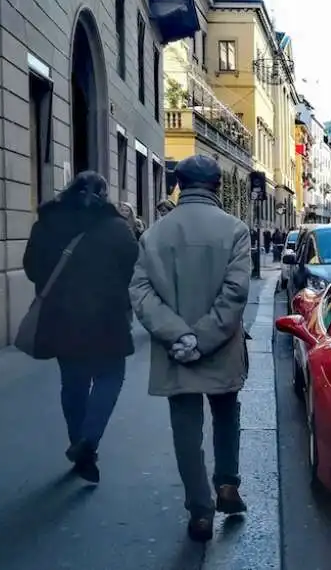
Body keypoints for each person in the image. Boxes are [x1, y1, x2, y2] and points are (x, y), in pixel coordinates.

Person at [130, 154, 252, 543]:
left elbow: (141, 291)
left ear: (178, 184)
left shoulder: (154, 233)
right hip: (221, 345)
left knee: (185, 429)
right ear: (217, 186)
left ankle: (200, 510)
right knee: (226, 413)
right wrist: (204, 338)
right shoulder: (235, 230)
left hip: (174, 350)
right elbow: (236, 292)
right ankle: (228, 484)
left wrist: (179, 336)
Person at [22, 171, 138, 484]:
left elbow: (31, 267)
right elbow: (132, 266)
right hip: (106, 317)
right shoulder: (116, 228)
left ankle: (79, 445)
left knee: (72, 383)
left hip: (61, 317)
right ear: (104, 194)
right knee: (110, 376)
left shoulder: (48, 222)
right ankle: (89, 440)